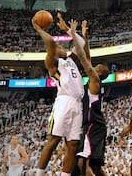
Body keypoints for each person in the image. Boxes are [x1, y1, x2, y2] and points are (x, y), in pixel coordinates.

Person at [32, 13, 86, 176]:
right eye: (60, 47)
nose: (63, 48)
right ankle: (39, 173)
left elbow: (81, 43)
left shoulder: (71, 60)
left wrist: (69, 30)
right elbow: (50, 42)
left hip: (77, 103)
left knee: (73, 144)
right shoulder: (53, 63)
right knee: (54, 140)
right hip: (64, 102)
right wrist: (38, 29)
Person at [68, 19, 109, 176]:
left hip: (93, 125)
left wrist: (74, 34)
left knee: (82, 163)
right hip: (95, 125)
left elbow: (84, 59)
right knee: (96, 167)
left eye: (96, 67)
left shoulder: (94, 80)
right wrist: (86, 36)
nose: (94, 66)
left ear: (99, 73)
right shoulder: (95, 81)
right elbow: (89, 58)